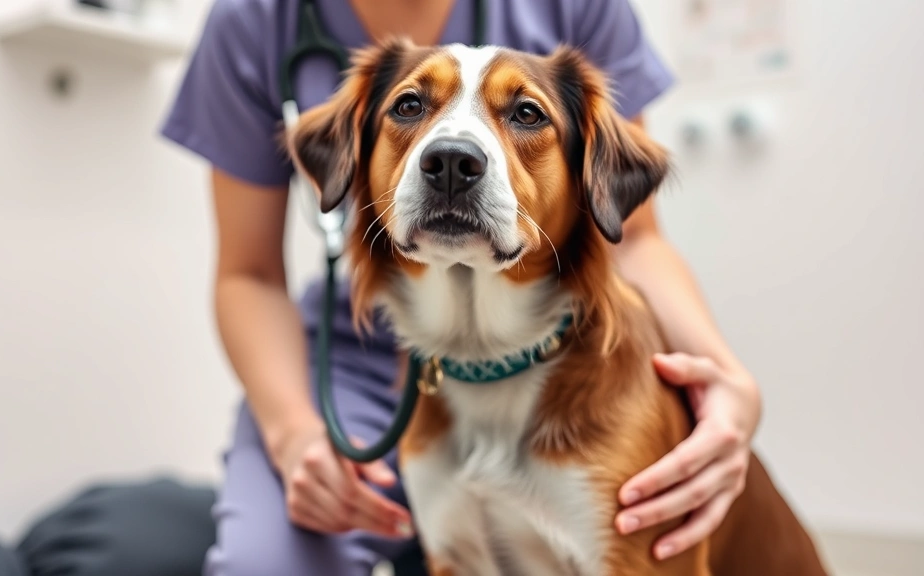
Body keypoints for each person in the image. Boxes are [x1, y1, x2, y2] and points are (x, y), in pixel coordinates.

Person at [160, 0, 763, 573]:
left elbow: (633, 238)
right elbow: (249, 273)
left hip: (570, 348)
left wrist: (727, 379)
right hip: (357, 350)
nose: (450, 155)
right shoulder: (255, 19)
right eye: (409, 108)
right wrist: (294, 433)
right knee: (265, 564)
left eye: (525, 114)